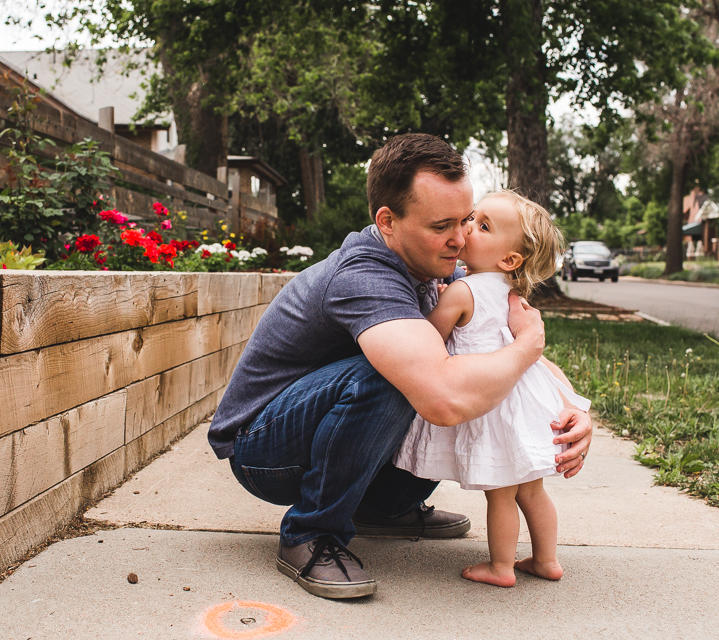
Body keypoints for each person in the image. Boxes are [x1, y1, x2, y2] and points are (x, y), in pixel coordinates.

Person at [207, 133, 593, 599]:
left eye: (467, 220)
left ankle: (381, 508)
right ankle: (311, 532)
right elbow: (445, 399)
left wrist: (573, 405)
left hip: (321, 433)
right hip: (264, 450)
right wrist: (527, 348)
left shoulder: (444, 264)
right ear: (387, 221)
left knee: (445, 367)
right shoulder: (364, 276)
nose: (461, 237)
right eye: (442, 225)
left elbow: (507, 347)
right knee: (404, 378)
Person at [394, 191, 590, 588]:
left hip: (492, 403)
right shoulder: (511, 294)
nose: (467, 228)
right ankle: (546, 560)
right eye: (472, 218)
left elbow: (428, 338)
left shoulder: (463, 292)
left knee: (501, 494)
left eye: (482, 226)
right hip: (522, 400)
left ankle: (500, 567)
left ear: (509, 259)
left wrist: (436, 303)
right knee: (531, 492)